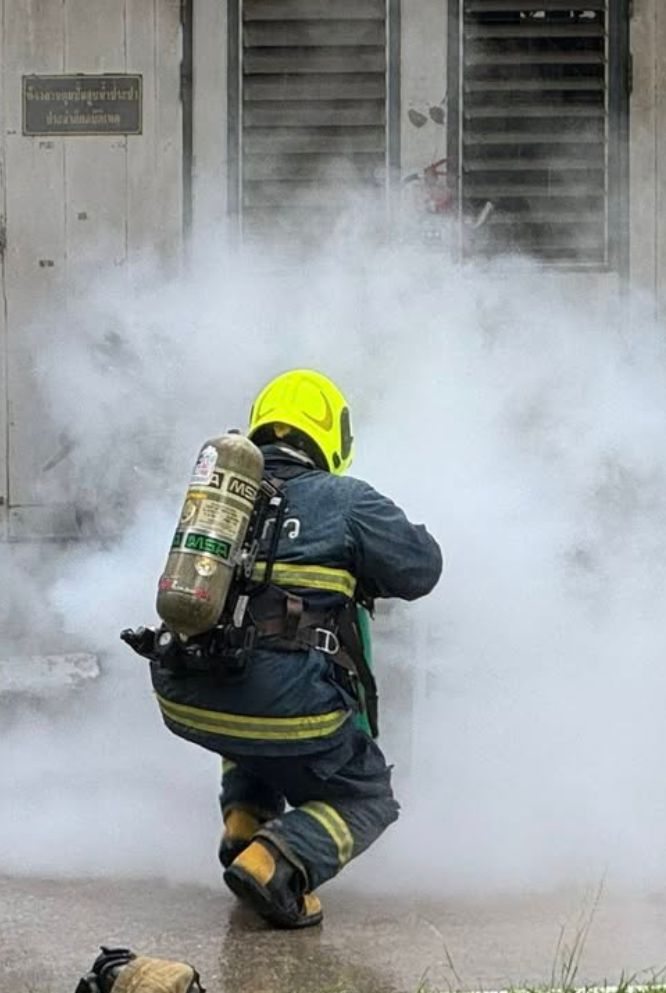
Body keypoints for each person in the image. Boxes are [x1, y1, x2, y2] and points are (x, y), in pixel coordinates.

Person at [131, 369, 443, 927]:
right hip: (286, 702)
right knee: (368, 796)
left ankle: (245, 820)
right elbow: (422, 567)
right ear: (332, 436)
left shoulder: (224, 497)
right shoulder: (347, 500)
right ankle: (276, 862)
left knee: (249, 711)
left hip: (184, 695)